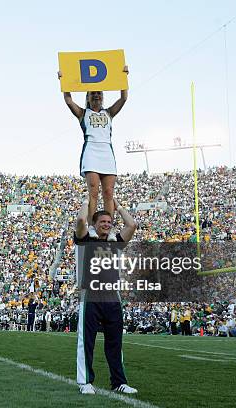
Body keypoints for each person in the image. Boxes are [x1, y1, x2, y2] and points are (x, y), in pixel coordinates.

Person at [74, 196, 138, 395]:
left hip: (112, 297)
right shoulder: (85, 240)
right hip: (90, 296)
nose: (106, 225)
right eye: (102, 221)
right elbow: (80, 222)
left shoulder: (115, 242)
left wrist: (116, 205)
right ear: (95, 224)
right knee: (87, 342)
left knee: (115, 342)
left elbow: (132, 224)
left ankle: (119, 381)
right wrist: (87, 202)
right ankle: (85, 382)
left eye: (109, 222)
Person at [58, 67, 129, 241]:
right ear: (88, 97)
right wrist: (64, 81)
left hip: (107, 152)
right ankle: (91, 226)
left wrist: (124, 78)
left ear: (103, 97)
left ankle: (110, 229)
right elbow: (68, 100)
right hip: (91, 152)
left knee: (109, 192)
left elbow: (124, 97)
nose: (96, 96)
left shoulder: (109, 113)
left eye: (99, 93)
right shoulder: (83, 113)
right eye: (93, 94)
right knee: (93, 192)